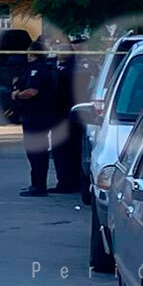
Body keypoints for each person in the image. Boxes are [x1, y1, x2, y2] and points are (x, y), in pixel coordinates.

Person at [12, 38, 58, 197]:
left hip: (36, 116)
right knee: (38, 152)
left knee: (36, 152)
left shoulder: (36, 70)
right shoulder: (48, 68)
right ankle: (37, 184)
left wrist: (16, 95)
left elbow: (32, 91)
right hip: (42, 115)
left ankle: (38, 186)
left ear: (32, 53)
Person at [50, 39, 84, 194]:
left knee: (61, 152)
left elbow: (55, 94)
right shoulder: (81, 70)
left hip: (61, 115)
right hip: (77, 115)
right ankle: (75, 181)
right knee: (75, 150)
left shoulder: (61, 73)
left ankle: (64, 183)